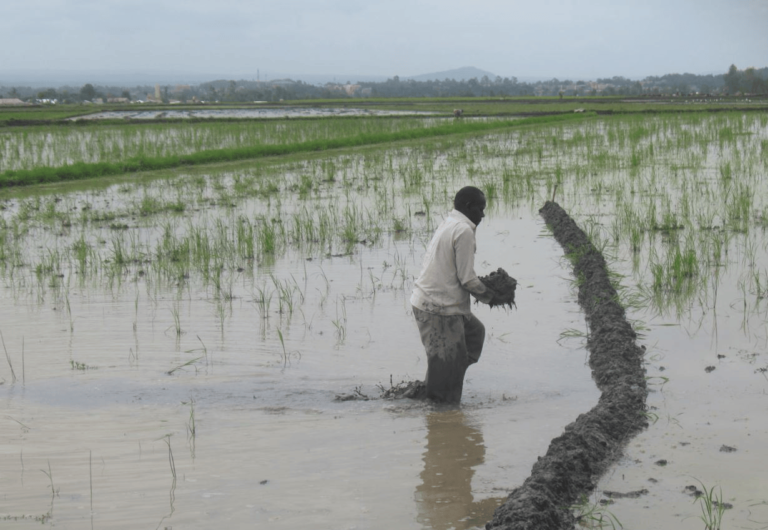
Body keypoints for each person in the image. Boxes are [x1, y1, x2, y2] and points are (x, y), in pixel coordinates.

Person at [410, 186, 499, 403]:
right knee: (446, 368)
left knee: (474, 334)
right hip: (438, 307)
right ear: (469, 207)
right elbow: (467, 279)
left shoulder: (450, 222)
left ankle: (442, 376)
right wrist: (492, 296)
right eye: (480, 209)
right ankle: (440, 410)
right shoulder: (464, 230)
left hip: (434, 301)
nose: (483, 215)